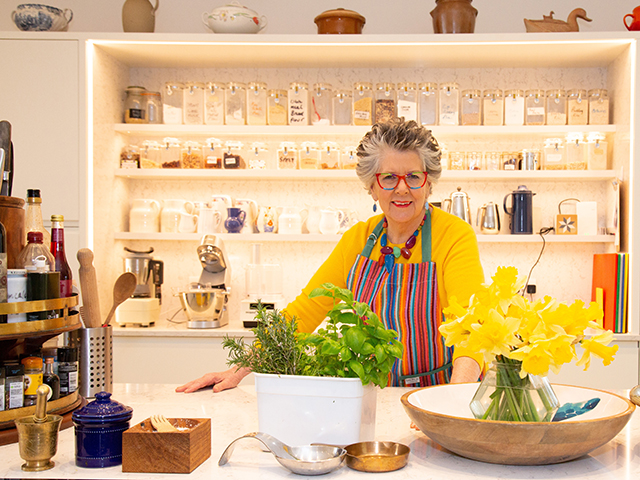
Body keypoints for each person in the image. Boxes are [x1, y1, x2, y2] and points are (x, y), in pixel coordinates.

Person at [177, 118, 484, 394]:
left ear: (428, 183)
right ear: (372, 188)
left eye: (413, 177)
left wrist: (451, 405)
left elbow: (471, 329)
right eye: (388, 177)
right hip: (371, 395)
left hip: (438, 394)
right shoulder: (358, 241)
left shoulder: (454, 236)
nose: (401, 189)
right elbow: (305, 310)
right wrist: (237, 370)